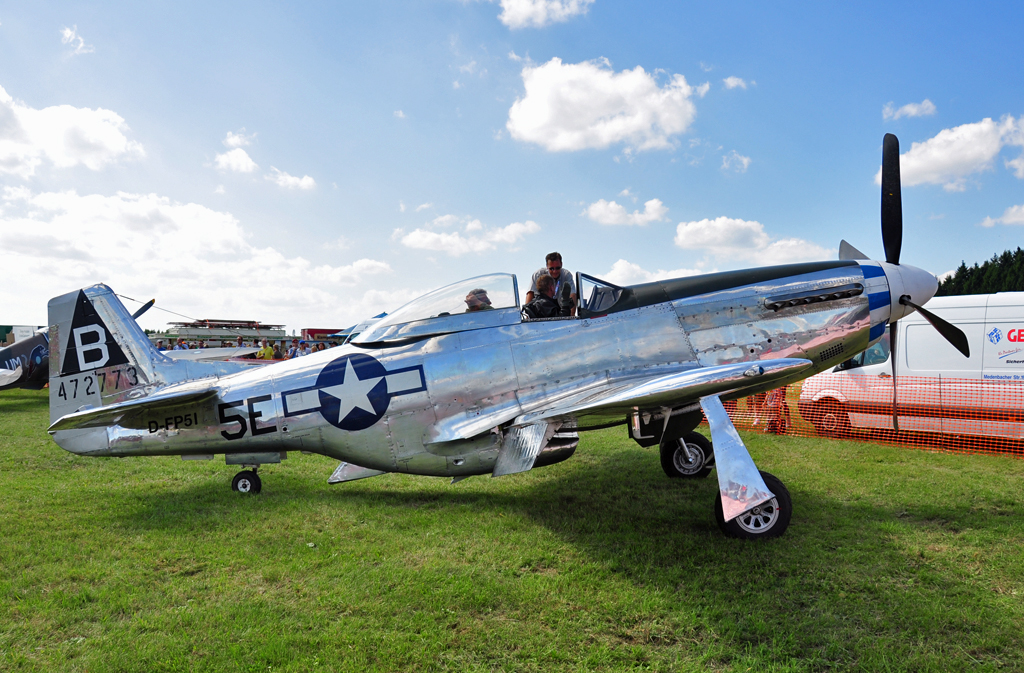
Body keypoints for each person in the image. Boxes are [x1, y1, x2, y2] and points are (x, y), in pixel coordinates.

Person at [525, 251, 576, 316]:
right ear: (547, 266)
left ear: (561, 264)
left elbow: (572, 295)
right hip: (541, 310)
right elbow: (530, 293)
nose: (554, 271)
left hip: (558, 309)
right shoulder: (538, 274)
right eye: (551, 268)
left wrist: (572, 316)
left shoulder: (566, 275)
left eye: (557, 268)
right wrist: (528, 316)